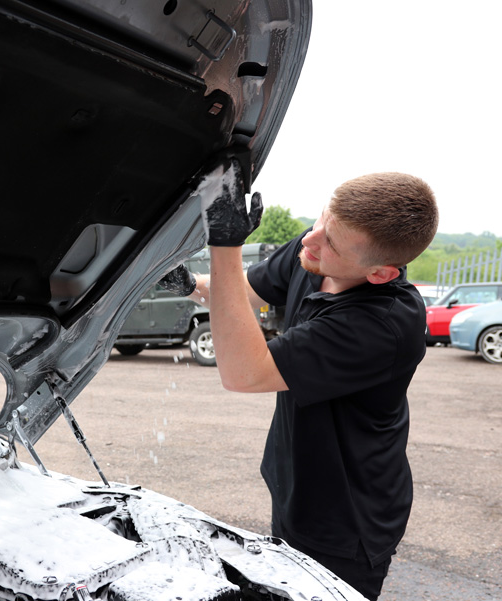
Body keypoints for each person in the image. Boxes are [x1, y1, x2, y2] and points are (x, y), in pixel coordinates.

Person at [162, 154, 438, 600]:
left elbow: (244, 373)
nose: (310, 239)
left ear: (380, 273)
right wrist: (190, 284)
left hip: (346, 525)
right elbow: (242, 296)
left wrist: (225, 246)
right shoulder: (317, 250)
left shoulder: (383, 325)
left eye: (331, 242)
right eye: (320, 221)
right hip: (296, 492)